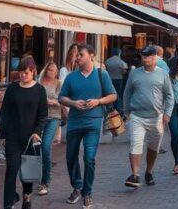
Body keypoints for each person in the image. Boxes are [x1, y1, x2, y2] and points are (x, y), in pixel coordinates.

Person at [58, 44, 117, 208]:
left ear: (91, 55)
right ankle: (77, 186)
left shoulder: (101, 74)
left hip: (93, 121)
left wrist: (98, 101)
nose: (77, 58)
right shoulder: (71, 77)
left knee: (89, 158)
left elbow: (113, 95)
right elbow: (61, 98)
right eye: (76, 56)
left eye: (81, 55)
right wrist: (73, 103)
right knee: (71, 157)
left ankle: (87, 192)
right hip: (74, 122)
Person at [0, 55, 48, 209]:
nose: (23, 75)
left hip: (30, 139)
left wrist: (37, 132)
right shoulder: (12, 88)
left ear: (33, 71)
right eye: (20, 72)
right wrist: (3, 135)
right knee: (12, 169)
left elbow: (43, 115)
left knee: (27, 174)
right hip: (13, 136)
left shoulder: (39, 90)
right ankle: (8, 203)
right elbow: (4, 111)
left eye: (26, 72)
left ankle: (27, 197)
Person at [122, 45, 174, 188]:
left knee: (153, 147)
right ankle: (135, 175)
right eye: (144, 56)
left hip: (156, 117)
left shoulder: (163, 74)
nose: (146, 59)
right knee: (135, 144)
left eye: (149, 56)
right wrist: (126, 111)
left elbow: (169, 96)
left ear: (155, 58)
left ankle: (149, 172)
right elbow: (127, 92)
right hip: (137, 116)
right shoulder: (134, 73)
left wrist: (167, 114)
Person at [35, 62, 64, 196]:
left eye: (54, 70)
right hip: (39, 117)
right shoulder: (39, 82)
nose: (51, 72)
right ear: (46, 70)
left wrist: (52, 102)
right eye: (49, 69)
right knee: (33, 148)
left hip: (53, 117)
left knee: (45, 146)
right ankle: (31, 178)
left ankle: (45, 181)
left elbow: (63, 101)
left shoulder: (59, 84)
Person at [104, 49, 129, 114]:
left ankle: (109, 108)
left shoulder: (107, 61)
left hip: (109, 79)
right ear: (119, 54)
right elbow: (124, 71)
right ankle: (118, 108)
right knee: (118, 93)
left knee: (109, 93)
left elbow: (105, 69)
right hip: (119, 79)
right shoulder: (121, 62)